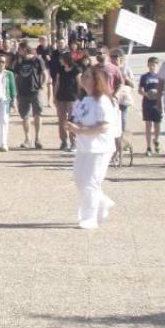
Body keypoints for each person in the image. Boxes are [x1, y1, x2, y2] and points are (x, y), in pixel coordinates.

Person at [67, 67, 119, 230]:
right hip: (84, 147)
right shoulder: (83, 100)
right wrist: (72, 126)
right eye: (83, 77)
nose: (84, 79)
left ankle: (89, 217)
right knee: (78, 178)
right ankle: (103, 202)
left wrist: (80, 130)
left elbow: (103, 127)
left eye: (88, 77)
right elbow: (77, 119)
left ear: (96, 80)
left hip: (100, 148)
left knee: (91, 182)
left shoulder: (103, 100)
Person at [14, 43, 48, 149]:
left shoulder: (37, 60)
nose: (18, 51)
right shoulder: (19, 61)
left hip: (35, 91)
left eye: (19, 49)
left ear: (24, 49)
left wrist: (42, 85)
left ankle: (38, 138)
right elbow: (15, 75)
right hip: (22, 92)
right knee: (25, 116)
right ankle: (27, 139)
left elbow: (44, 74)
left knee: (37, 114)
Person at [52, 50, 82, 153]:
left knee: (72, 121)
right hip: (61, 97)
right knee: (61, 121)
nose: (60, 60)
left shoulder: (76, 70)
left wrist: (80, 98)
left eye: (62, 59)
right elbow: (57, 83)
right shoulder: (60, 69)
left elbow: (79, 84)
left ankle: (73, 142)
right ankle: (63, 141)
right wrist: (54, 96)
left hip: (73, 98)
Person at [139, 56, 165, 155]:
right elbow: (140, 90)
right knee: (148, 124)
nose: (152, 67)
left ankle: (156, 140)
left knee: (157, 124)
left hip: (157, 103)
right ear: (148, 65)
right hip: (147, 103)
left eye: (154, 65)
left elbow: (164, 90)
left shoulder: (160, 77)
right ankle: (148, 147)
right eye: (150, 65)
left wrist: (158, 94)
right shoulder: (144, 77)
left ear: (157, 66)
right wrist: (147, 94)